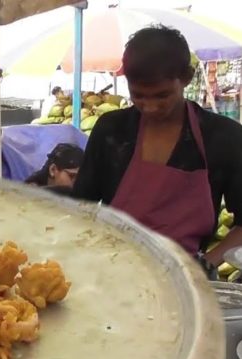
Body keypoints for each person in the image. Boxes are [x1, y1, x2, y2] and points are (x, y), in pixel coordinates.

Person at [73, 26, 242, 264]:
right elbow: (80, 207)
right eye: (138, 95)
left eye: (162, 96)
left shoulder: (223, 136)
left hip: (186, 275)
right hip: (113, 269)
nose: (150, 107)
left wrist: (203, 267)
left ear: (187, 77)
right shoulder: (111, 130)